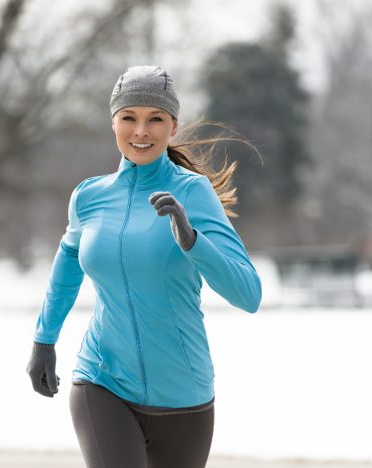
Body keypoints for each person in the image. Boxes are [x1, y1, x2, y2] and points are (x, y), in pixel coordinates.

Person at [26, 65, 262, 468]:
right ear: (113, 122)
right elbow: (67, 263)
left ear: (173, 126)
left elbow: (249, 293)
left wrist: (192, 241)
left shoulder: (193, 193)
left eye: (155, 119)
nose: (141, 131)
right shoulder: (89, 197)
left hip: (183, 395)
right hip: (102, 380)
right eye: (129, 118)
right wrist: (44, 340)